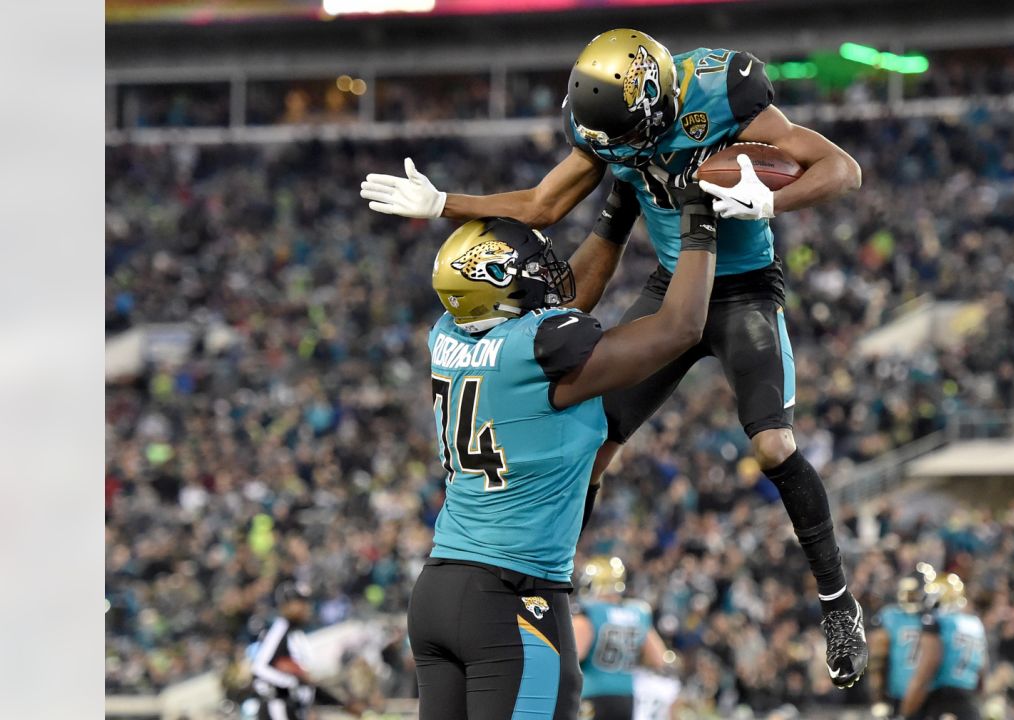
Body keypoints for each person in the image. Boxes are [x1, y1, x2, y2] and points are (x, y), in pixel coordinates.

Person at [360, 25, 868, 689]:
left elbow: (842, 170)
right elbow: (544, 204)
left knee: (773, 444)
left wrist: (772, 197)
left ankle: (837, 602)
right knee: (596, 445)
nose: (622, 151)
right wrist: (443, 205)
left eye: (633, 135)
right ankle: (551, 583)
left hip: (743, 285)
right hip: (674, 279)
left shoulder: (720, 89)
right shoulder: (609, 126)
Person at [407, 186, 717, 720]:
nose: (546, 274)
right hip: (512, 594)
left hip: (439, 588)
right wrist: (700, 222)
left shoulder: (447, 331)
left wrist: (618, 213)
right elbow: (679, 328)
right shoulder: (538, 350)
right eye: (531, 266)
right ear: (501, 283)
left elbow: (557, 309)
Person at [572, 557, 677, 720]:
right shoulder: (638, 613)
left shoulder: (589, 612)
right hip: (626, 696)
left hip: (593, 693)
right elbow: (659, 659)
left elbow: (575, 655)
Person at [247, 581, 364, 720]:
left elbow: (308, 683)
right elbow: (259, 668)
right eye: (300, 602)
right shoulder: (280, 629)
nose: (306, 607)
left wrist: (341, 704)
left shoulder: (297, 636)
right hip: (278, 707)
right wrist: (291, 683)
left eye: (306, 602)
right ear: (286, 605)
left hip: (295, 709)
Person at [899, 573, 987, 720]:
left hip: (943, 703)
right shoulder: (976, 624)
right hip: (969, 703)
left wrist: (906, 711)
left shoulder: (938, 621)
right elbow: (982, 672)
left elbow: (928, 665)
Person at [868, 564, 937, 715]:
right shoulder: (891, 616)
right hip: (901, 693)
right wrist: (879, 697)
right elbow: (877, 661)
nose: (912, 598)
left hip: (930, 694)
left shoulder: (937, 618)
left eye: (914, 593)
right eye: (910, 593)